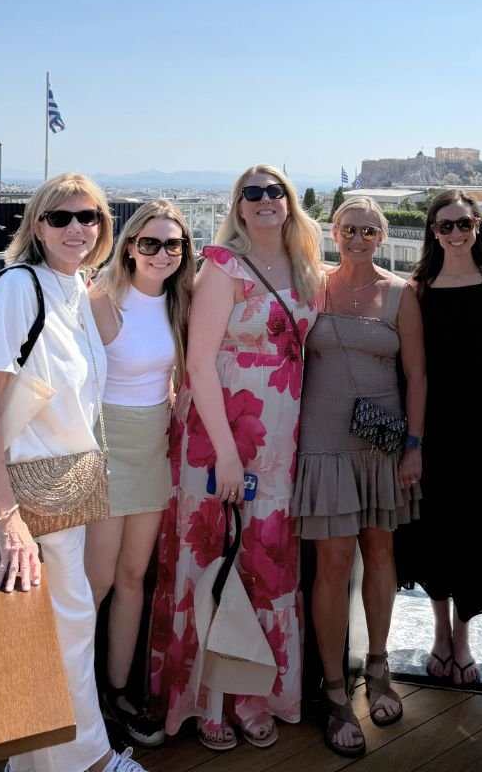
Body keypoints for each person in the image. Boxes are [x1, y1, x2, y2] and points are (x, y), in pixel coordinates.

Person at [0, 173, 147, 772]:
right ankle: (91, 762)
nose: (76, 228)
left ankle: (34, 763)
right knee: (68, 626)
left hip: (62, 490)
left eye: (89, 217)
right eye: (60, 218)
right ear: (36, 225)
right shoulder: (15, 290)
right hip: (23, 494)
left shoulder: (74, 290)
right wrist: (8, 521)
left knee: (43, 634)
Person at [150, 165, 321, 753]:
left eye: (276, 191)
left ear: (290, 202)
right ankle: (210, 700)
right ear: (239, 206)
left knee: (267, 564)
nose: (266, 200)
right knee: (210, 563)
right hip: (218, 436)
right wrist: (225, 454)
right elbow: (198, 365)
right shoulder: (222, 265)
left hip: (280, 440)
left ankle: (255, 694)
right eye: (253, 193)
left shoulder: (305, 269)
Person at [292, 195, 425, 757]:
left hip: (382, 446)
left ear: (383, 236)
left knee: (382, 554)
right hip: (322, 445)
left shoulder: (401, 294)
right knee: (332, 564)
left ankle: (377, 667)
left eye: (369, 231)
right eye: (349, 228)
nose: (358, 239)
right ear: (331, 230)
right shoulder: (309, 284)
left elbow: (418, 376)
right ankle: (332, 690)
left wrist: (414, 448)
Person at [84, 200, 195, 748]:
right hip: (103, 446)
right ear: (129, 246)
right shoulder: (100, 300)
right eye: (150, 243)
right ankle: (85, 702)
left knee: (133, 579)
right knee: (97, 583)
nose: (162, 253)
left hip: (153, 447)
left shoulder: (180, 302)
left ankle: (118, 692)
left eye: (173, 244)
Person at [394, 188, 482, 686]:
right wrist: (413, 440)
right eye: (446, 226)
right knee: (435, 525)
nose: (457, 234)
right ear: (433, 232)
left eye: (465, 224)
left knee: (474, 523)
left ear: (478, 226)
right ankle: (440, 633)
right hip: (434, 421)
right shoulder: (418, 286)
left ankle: (461, 638)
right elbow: (412, 364)